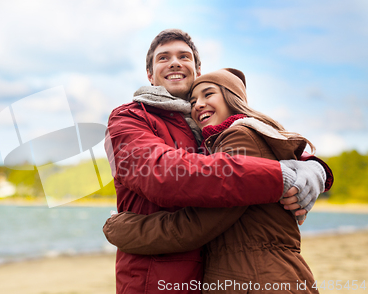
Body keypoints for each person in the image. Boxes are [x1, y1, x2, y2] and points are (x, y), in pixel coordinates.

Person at [105, 29, 333, 294]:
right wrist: (282, 175)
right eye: (163, 58)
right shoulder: (130, 118)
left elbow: (262, 146)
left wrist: (314, 168)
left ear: (197, 70)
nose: (175, 62)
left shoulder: (221, 130)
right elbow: (162, 173)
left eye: (184, 56)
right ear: (149, 74)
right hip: (156, 280)